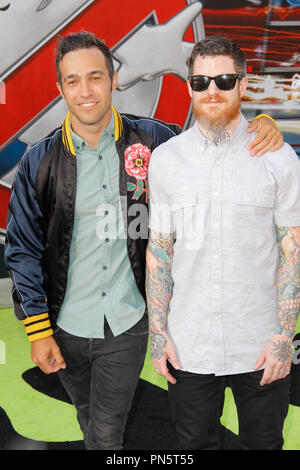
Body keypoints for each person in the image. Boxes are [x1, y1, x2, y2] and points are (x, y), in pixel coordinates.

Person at [4, 31, 282, 450]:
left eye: (95, 77)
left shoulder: (156, 142)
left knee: (105, 430)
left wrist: (260, 125)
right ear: (59, 88)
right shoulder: (38, 162)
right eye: (73, 81)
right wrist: (38, 330)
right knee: (88, 414)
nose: (86, 91)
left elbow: (210, 140)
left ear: (114, 79)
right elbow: (22, 249)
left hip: (128, 321)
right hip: (65, 324)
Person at [146, 35, 300, 450]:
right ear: (190, 86)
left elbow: (292, 251)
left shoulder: (280, 159)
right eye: (201, 82)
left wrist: (284, 336)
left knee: (264, 444)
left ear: (243, 84)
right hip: (189, 344)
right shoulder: (166, 160)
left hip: (260, 343)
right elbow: (159, 249)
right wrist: (158, 333)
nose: (212, 91)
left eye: (224, 80)